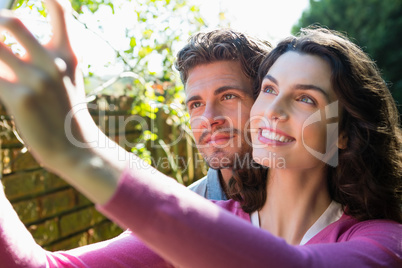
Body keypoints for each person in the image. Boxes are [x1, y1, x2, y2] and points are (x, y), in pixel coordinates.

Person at [0, 1, 401, 267]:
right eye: (270, 90)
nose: (273, 111)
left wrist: (83, 151)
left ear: (345, 134)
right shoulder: (207, 212)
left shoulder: (383, 241)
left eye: (307, 100)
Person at [177, 28, 271, 200]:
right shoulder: (181, 214)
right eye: (197, 104)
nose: (209, 119)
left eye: (228, 96)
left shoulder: (321, 207)